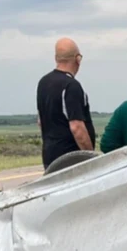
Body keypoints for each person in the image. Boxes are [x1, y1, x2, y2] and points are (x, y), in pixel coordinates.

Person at [36, 37, 97, 169]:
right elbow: (77, 127)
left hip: (49, 157)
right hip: (71, 160)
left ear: (56, 58)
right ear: (78, 59)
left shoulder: (43, 83)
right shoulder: (71, 86)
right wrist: (90, 156)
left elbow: (41, 121)